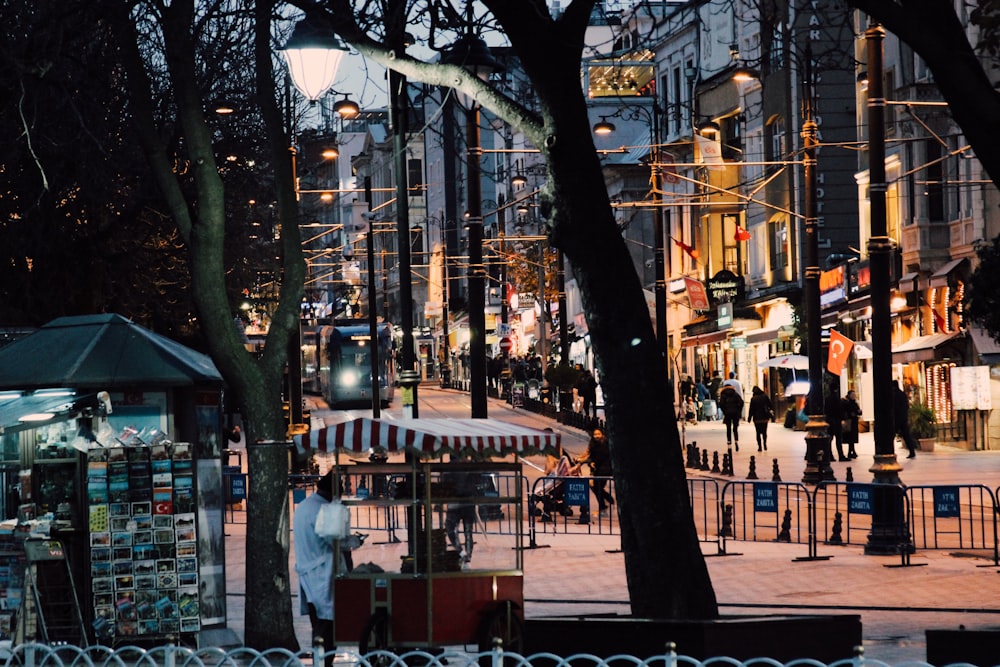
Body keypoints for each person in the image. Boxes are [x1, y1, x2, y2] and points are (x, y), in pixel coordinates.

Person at [292, 470, 340, 655]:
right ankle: (324, 661)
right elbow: (333, 540)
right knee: (326, 624)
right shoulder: (323, 510)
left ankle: (321, 660)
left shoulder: (304, 506)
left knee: (318, 622)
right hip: (321, 575)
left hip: (309, 572)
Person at [444, 453, 481, 563]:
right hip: (465, 502)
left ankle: (463, 553)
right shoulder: (469, 466)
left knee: (453, 529)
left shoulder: (450, 468)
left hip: (457, 503)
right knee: (467, 531)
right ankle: (466, 555)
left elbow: (446, 483)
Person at [576, 427, 614, 517]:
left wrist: (588, 461)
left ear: (602, 435)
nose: (596, 436)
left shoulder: (605, 444)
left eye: (598, 434)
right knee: (596, 488)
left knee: (597, 488)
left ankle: (604, 506)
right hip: (597, 470)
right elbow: (590, 455)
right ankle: (605, 504)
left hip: (605, 470)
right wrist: (586, 461)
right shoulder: (593, 444)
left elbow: (601, 457)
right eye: (595, 434)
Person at [894, 383, 919, 459]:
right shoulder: (902, 394)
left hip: (895, 418)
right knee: (906, 436)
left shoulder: (893, 395)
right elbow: (907, 406)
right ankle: (912, 451)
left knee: (891, 436)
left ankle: (890, 451)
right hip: (903, 418)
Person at [746, 386, 774, 452]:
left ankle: (760, 447)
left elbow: (751, 409)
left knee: (758, 433)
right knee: (764, 432)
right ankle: (765, 444)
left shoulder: (753, 399)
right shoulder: (765, 396)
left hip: (757, 419)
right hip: (764, 417)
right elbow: (770, 405)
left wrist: (749, 418)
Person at [718, 384, 744, 450]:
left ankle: (729, 442)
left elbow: (721, 404)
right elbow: (741, 402)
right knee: (735, 428)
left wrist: (724, 411)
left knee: (728, 428)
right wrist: (738, 410)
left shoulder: (723, 395)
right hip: (735, 413)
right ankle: (736, 441)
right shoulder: (735, 394)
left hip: (727, 413)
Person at [825, 385, 846, 461]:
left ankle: (830, 455)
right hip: (836, 420)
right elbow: (840, 410)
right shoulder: (837, 399)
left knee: (830, 439)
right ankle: (841, 455)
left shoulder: (827, 399)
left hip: (829, 420)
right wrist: (843, 418)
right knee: (838, 439)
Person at [841, 389, 862, 459]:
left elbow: (859, 411)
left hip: (854, 422)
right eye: (852, 395)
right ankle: (851, 451)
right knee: (850, 437)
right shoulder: (846, 403)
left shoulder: (854, 403)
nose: (854, 396)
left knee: (852, 437)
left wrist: (858, 412)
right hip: (850, 422)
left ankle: (852, 451)